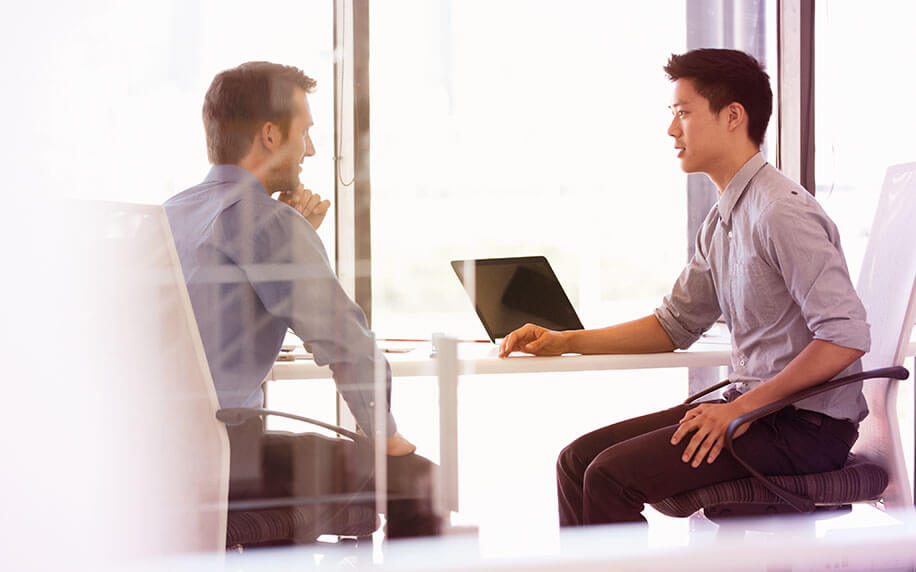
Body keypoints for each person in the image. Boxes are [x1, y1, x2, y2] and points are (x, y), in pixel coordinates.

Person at [498, 48, 869, 527]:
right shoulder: (722, 221)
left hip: (804, 429)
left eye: (683, 113)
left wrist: (739, 411)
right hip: (758, 412)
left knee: (610, 477)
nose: (672, 130)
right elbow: (672, 326)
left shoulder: (782, 211)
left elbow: (845, 337)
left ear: (733, 116)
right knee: (577, 461)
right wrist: (564, 341)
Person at [164, 61, 439, 542]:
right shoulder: (268, 224)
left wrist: (290, 244)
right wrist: (386, 434)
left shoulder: (171, 214)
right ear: (270, 135)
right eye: (306, 133)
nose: (311, 149)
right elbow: (346, 343)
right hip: (229, 465)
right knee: (420, 483)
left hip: (157, 462)